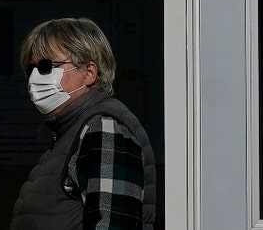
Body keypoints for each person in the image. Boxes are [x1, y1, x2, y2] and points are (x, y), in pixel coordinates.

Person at [11, 18, 157, 230]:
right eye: (30, 69)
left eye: (45, 66)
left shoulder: (104, 128)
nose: (34, 78)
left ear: (89, 72)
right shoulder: (69, 132)